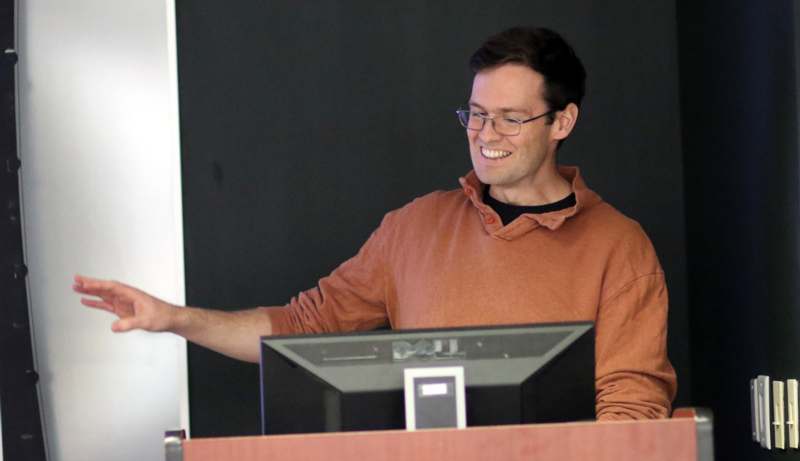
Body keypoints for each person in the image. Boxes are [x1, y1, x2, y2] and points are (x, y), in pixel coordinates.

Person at [75, 27, 676, 420]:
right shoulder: (414, 227)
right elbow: (304, 330)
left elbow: (631, 406)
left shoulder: (618, 246)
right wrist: (175, 319)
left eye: (510, 118)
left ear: (562, 122)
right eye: (476, 113)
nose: (485, 134)